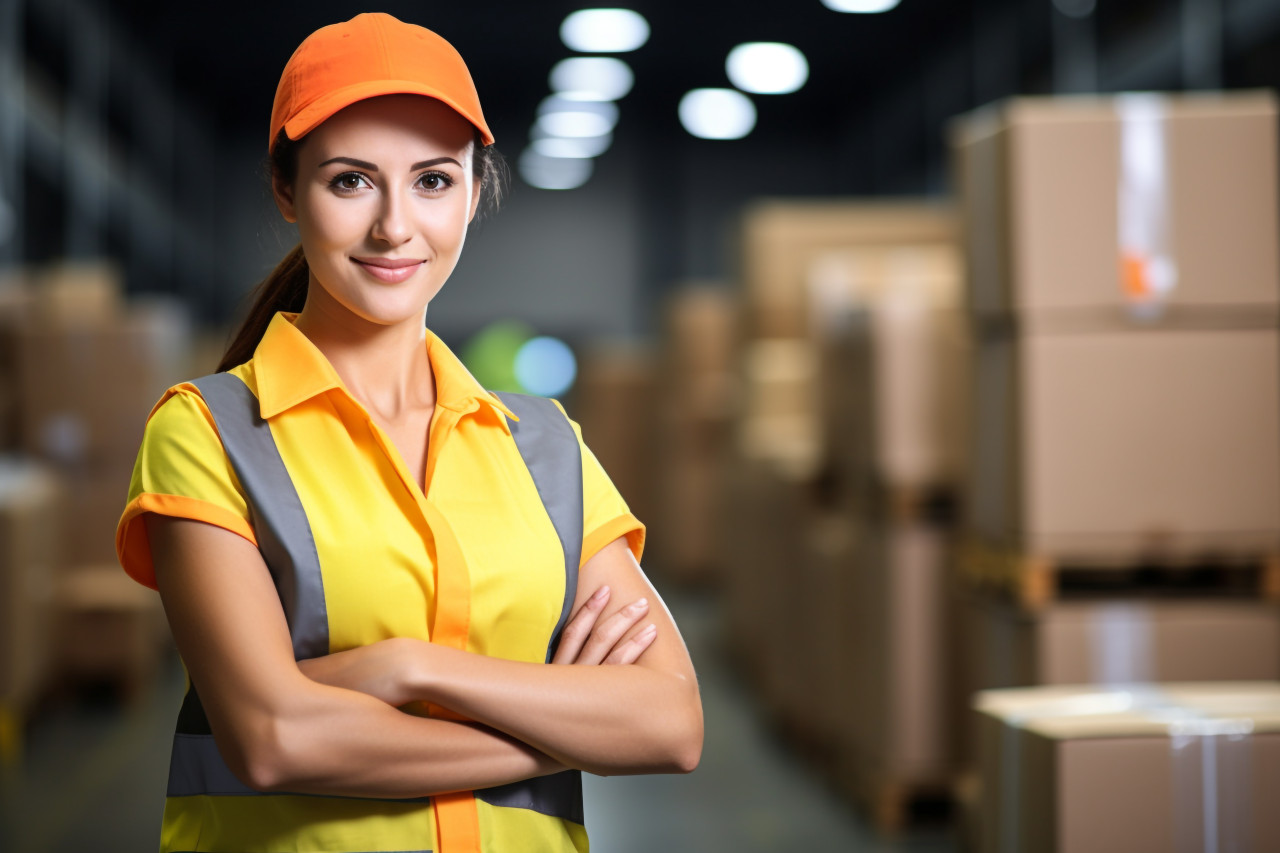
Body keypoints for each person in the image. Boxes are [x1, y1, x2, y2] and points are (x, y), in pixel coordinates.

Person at [114, 12, 702, 853]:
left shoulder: (543, 446)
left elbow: (671, 723)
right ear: (287, 191)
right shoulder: (207, 433)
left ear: (473, 189)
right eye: (351, 181)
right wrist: (561, 716)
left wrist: (409, 667)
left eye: (432, 181)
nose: (396, 226)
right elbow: (274, 737)